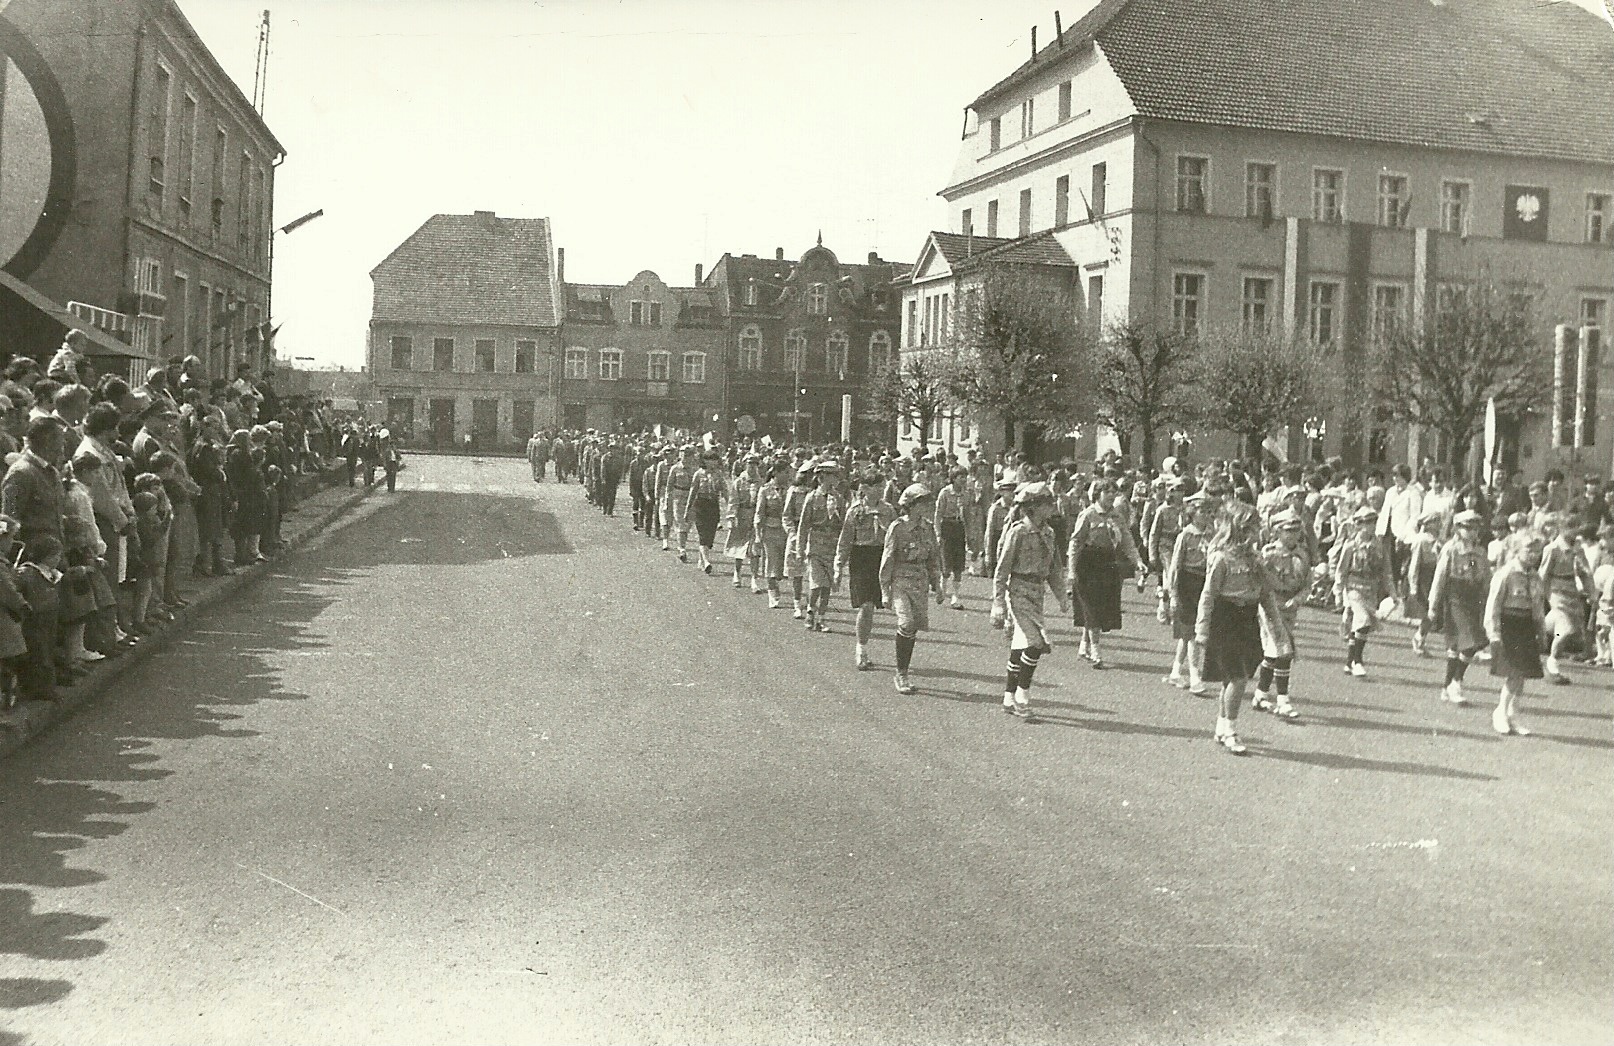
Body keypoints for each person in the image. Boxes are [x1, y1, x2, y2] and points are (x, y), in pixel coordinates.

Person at [1196, 501, 1288, 755]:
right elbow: (1208, 595)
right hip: (1225, 618)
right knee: (1237, 678)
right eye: (1249, 528)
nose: (1255, 533)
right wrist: (1202, 629)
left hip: (1247, 618)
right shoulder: (1220, 558)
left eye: (1255, 527)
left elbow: (1266, 595)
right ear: (1236, 529)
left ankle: (1221, 726)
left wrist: (1276, 625)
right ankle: (1231, 731)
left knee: (1234, 678)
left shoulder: (1256, 560)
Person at [990, 482, 1068, 719]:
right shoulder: (1018, 532)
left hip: (1037, 593)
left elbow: (1054, 569)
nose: (1051, 508)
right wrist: (998, 603)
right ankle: (1023, 696)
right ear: (1033, 507)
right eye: (1046, 504)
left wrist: (1063, 597)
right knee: (1036, 643)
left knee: (1020, 647)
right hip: (1019, 591)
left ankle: (1008, 697)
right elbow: (1002, 571)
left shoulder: (1049, 533)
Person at [1067, 480, 1141, 670]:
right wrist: (1072, 570)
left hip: (1107, 562)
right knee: (1091, 606)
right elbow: (1075, 543)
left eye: (1113, 492)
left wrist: (1138, 561)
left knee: (1100, 606)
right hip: (1088, 563)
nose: (1111, 496)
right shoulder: (1088, 514)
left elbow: (1127, 540)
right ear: (1098, 493)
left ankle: (1084, 645)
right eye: (1107, 492)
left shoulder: (1117, 516)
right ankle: (1096, 651)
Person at [879, 483, 943, 695]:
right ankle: (901, 673)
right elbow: (887, 559)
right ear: (911, 505)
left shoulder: (928, 528)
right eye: (921, 503)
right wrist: (885, 591)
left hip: (920, 582)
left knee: (913, 627)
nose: (925, 507)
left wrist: (938, 585)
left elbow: (934, 558)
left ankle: (903, 669)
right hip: (901, 580)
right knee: (906, 623)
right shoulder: (897, 527)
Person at [1426, 509, 1491, 705]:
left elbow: (1486, 579)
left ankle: (1448, 686)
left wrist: (1489, 601)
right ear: (1457, 529)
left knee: (1458, 646)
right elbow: (1440, 577)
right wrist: (1433, 604)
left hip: (1474, 599)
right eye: (1467, 527)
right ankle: (1457, 682)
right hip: (1455, 598)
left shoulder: (1480, 552)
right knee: (1468, 640)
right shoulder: (1451, 550)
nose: (1472, 532)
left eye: (1475, 528)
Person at [1251, 508, 1311, 721]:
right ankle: (1283, 701)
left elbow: (1307, 584)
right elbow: (1259, 580)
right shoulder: (1269, 554)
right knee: (1284, 650)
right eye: (1288, 530)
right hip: (1271, 605)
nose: (1293, 534)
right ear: (1277, 532)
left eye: (1296, 530)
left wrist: (1298, 599)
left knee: (1273, 653)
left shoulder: (1302, 555)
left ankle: (1260, 694)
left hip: (1289, 609)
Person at [1485, 530, 1546, 736]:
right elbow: (1493, 605)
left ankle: (1513, 714)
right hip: (1508, 625)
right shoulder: (1506, 573)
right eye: (1529, 550)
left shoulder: (1535, 577)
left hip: (1526, 626)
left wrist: (1542, 632)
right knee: (1514, 673)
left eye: (1537, 551)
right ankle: (1500, 712)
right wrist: (1493, 633)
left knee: (1523, 675)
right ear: (1516, 550)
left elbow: (1537, 607)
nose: (1534, 555)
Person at [836, 468, 895, 670]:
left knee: (875, 607)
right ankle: (861, 649)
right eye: (878, 486)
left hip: (881, 558)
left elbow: (896, 539)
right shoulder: (855, 511)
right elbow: (845, 541)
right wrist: (838, 567)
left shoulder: (888, 510)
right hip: (861, 558)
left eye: (883, 486)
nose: (881, 490)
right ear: (866, 488)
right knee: (866, 606)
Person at [1165, 490, 1215, 694]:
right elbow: (1175, 566)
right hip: (1188, 583)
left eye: (1208, 511)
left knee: (1189, 634)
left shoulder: (1213, 533)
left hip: (1205, 582)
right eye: (1201, 511)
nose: (1205, 515)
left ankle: (1176, 671)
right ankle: (1195, 676)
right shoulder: (1185, 534)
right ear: (1192, 513)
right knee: (1192, 632)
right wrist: (1173, 594)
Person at [1539, 516, 1594, 684]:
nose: (1576, 531)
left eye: (1577, 527)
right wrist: (1540, 596)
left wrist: (1591, 592)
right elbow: (1543, 574)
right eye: (1572, 527)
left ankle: (1539, 629)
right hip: (1556, 591)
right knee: (1566, 629)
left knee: (1571, 629)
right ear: (1562, 529)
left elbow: (1585, 572)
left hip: (1571, 590)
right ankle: (1552, 662)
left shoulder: (1578, 548)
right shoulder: (1553, 549)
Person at [795, 461, 844, 631]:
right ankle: (810, 612)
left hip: (832, 547)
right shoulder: (812, 497)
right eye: (832, 475)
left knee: (827, 586)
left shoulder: (838, 498)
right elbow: (803, 526)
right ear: (822, 477)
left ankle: (822, 618)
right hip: (815, 545)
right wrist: (800, 550)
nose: (835, 479)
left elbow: (844, 525)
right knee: (816, 584)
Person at [1406, 509, 1443, 656]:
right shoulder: (1421, 540)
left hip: (1436, 576)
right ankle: (1419, 637)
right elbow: (1414, 564)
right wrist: (1413, 586)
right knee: (1430, 611)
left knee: (1434, 611)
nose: (1440, 524)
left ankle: (1420, 637)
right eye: (1436, 521)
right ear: (1428, 524)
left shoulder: (1439, 540)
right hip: (1424, 578)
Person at [754, 462, 791, 610]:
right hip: (770, 530)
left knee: (782, 566)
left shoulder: (790, 490)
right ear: (776, 472)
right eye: (785, 472)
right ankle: (772, 592)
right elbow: (759, 513)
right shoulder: (765, 490)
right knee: (771, 561)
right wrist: (757, 534)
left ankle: (776, 583)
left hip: (787, 532)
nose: (788, 475)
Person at [685, 450, 728, 574]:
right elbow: (693, 491)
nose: (712, 462)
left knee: (710, 536)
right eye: (709, 460)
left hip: (713, 505)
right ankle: (707, 561)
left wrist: (729, 505)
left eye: (714, 460)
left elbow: (724, 491)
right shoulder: (698, 474)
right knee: (703, 534)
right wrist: (688, 508)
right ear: (704, 461)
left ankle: (702, 558)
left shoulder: (719, 475)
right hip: (701, 505)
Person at [725, 454, 763, 592]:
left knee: (755, 550)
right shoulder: (739, 482)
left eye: (754, 464)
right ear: (745, 464)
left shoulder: (761, 483)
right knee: (739, 547)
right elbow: (733, 500)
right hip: (742, 516)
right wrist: (731, 517)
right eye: (749, 463)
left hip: (756, 518)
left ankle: (754, 579)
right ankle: (737, 573)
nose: (752, 466)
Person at [933, 467, 970, 609]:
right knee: (946, 562)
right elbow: (938, 514)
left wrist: (970, 534)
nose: (964, 480)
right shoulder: (945, 493)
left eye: (965, 477)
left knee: (959, 565)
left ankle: (955, 596)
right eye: (961, 477)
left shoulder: (966, 494)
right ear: (954, 478)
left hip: (959, 528)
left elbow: (967, 515)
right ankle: (942, 589)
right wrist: (937, 533)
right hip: (947, 527)